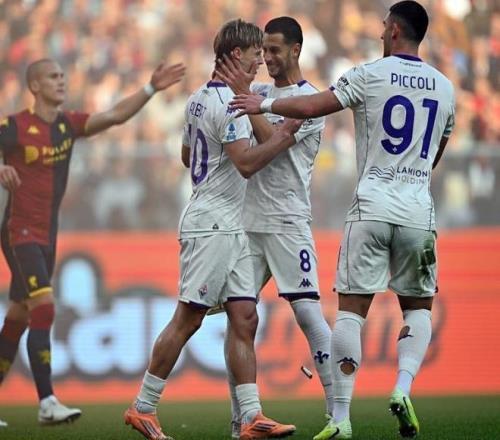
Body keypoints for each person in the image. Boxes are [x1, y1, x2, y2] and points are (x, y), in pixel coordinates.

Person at [230, 2, 455, 439]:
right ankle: (402, 387)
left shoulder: (369, 73)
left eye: (383, 26)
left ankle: (341, 418)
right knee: (418, 307)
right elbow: (434, 155)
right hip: (417, 209)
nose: (380, 32)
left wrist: (265, 101)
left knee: (350, 313)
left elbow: (316, 105)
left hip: (371, 207)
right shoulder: (445, 87)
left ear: (393, 30)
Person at [124, 19, 301, 440]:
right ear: (236, 55)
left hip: (227, 223)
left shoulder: (197, 100)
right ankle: (143, 406)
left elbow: (188, 157)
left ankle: (251, 417)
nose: (260, 62)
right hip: (212, 226)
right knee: (188, 318)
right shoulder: (231, 105)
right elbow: (247, 164)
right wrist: (283, 138)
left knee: (244, 316)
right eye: (255, 54)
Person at [0, 58, 185, 425]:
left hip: (47, 234)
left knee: (19, 316)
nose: (61, 81)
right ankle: (47, 402)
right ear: (34, 86)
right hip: (19, 231)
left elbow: (114, 116)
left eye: (62, 75)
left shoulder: (66, 125)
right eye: (53, 76)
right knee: (44, 307)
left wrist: (150, 88)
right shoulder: (14, 126)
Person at [215, 16, 333, 440]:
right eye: (263, 50)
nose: (267, 57)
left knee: (307, 312)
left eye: (275, 49)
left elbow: (273, 145)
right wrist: (245, 97)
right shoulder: (260, 93)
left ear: (296, 50)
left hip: (287, 220)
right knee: (239, 318)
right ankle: (241, 421)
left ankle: (338, 412)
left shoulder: (309, 101)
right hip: (249, 223)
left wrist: (249, 102)